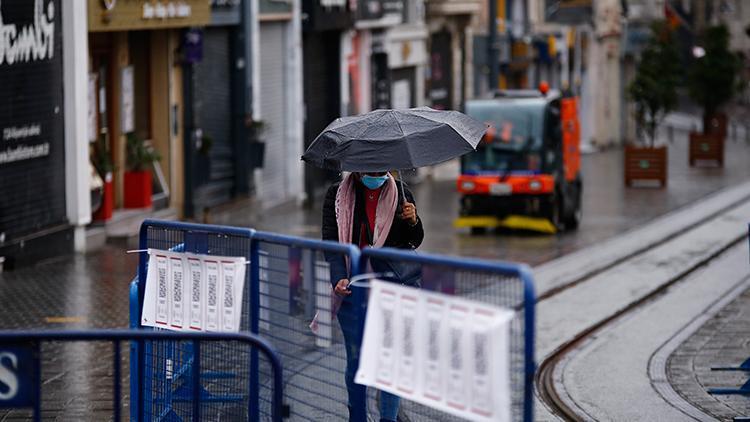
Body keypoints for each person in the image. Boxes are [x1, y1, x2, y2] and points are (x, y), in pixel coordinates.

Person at [322, 171, 424, 422]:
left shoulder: (402, 192)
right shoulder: (336, 194)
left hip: (391, 289)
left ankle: (388, 419)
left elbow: (413, 242)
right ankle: (357, 416)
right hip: (353, 289)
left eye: (382, 167)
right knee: (357, 360)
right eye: (371, 167)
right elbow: (331, 243)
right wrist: (338, 277)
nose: (377, 173)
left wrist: (413, 222)